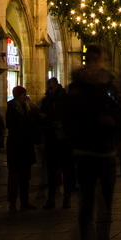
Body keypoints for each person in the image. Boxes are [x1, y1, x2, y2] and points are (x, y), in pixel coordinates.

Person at [68, 43, 121, 240]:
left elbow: (120, 113)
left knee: (104, 209)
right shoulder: (78, 88)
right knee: (88, 207)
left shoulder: (109, 87)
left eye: (99, 60)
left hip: (105, 154)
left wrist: (115, 120)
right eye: (92, 60)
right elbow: (72, 117)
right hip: (87, 154)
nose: (95, 64)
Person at [40, 77, 75, 208]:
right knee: (51, 170)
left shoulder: (66, 100)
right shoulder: (46, 101)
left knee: (66, 169)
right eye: (48, 89)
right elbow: (42, 118)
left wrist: (63, 124)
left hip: (64, 139)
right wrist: (44, 118)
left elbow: (72, 118)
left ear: (57, 86)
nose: (49, 91)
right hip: (51, 138)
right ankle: (51, 197)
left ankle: (67, 197)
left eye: (51, 88)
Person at [5, 85, 41, 211]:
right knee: (14, 175)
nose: (24, 97)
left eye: (25, 94)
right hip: (16, 145)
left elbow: (35, 119)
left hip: (26, 145)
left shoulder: (28, 108)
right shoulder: (12, 108)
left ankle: (24, 201)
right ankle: (13, 203)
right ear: (17, 95)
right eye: (22, 95)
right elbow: (12, 125)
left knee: (26, 175)